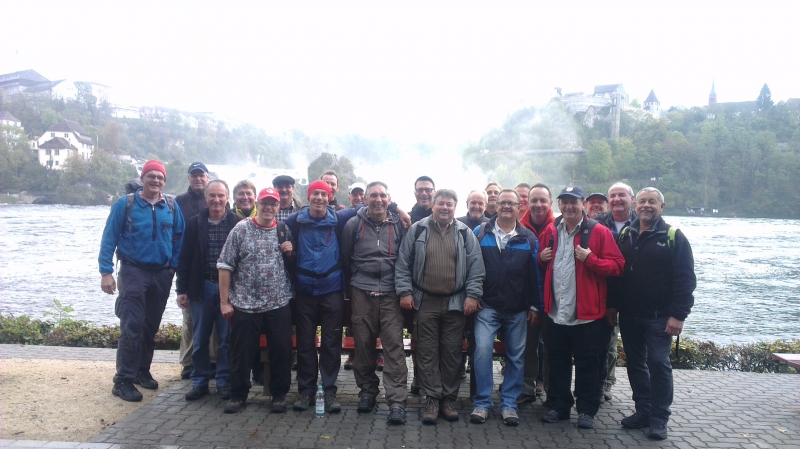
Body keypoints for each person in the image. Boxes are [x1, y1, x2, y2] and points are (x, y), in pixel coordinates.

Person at [607, 187, 696, 441]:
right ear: (635, 205)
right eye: (643, 201)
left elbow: (686, 279)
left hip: (659, 316)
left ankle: (659, 417)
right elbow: (617, 275)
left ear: (662, 207)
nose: (647, 206)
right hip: (630, 314)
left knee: (658, 363)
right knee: (635, 364)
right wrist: (612, 305)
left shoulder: (673, 236)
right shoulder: (626, 233)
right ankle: (643, 411)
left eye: (652, 202)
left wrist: (679, 315)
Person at [396, 189, 485, 425]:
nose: (445, 208)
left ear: (456, 207)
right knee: (426, 352)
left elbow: (476, 268)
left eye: (449, 204)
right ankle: (432, 399)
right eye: (441, 204)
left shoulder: (466, 234)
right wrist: (405, 292)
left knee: (452, 353)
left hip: (456, 302)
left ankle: (448, 398)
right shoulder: (418, 230)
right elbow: (403, 263)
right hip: (425, 301)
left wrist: (472, 295)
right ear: (432, 206)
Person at [537, 186, 624, 430]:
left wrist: (591, 259)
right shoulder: (551, 231)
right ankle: (559, 406)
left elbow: (618, 266)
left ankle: (587, 410)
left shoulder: (599, 232)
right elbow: (542, 262)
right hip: (557, 312)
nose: (568, 206)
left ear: (582, 204)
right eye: (564, 202)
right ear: (559, 205)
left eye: (573, 202)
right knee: (558, 361)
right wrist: (540, 258)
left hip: (587, 315)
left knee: (588, 364)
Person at [99, 160, 185, 402]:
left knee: (151, 325)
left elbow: (180, 236)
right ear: (143, 178)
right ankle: (123, 380)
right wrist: (106, 271)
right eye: (151, 176)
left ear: (164, 181)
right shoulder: (125, 204)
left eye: (160, 177)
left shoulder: (171, 205)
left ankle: (142, 370)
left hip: (161, 273)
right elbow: (109, 238)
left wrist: (173, 267)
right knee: (132, 325)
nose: (155, 181)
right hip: (133, 270)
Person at [284, 181, 361, 413]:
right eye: (315, 193)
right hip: (305, 291)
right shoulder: (294, 221)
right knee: (306, 343)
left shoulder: (338, 219)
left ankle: (329, 391)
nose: (319, 197)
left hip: (332, 290)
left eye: (323, 194)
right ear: (308, 197)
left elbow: (363, 207)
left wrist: (396, 208)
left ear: (330, 197)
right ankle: (306, 391)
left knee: (330, 343)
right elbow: (274, 233)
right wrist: (288, 249)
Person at [217, 188, 295, 414]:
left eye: (273, 204)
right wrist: (224, 302)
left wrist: (291, 252)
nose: (269, 207)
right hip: (245, 304)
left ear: (278, 207)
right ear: (257, 204)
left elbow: (292, 266)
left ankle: (279, 395)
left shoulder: (283, 230)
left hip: (278, 303)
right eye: (265, 203)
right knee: (241, 353)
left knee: (282, 352)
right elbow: (225, 265)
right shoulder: (240, 229)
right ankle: (238, 395)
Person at [469, 189, 541, 427]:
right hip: (487, 306)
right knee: (482, 351)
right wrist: (474, 294)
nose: (507, 207)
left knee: (516, 357)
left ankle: (509, 404)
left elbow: (534, 276)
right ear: (495, 205)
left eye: (512, 203)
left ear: (520, 207)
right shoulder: (481, 232)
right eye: (503, 203)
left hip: (517, 308)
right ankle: (482, 403)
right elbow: (472, 268)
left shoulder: (528, 238)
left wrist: (534, 305)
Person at [340, 181, 409, 424]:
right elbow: (345, 257)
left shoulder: (399, 225)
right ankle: (367, 392)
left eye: (382, 195)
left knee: (394, 348)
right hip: (362, 292)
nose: (378, 200)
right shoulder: (353, 224)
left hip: (391, 293)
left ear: (389, 199)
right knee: (363, 346)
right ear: (365, 199)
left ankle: (397, 401)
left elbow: (405, 258)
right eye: (373, 196)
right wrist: (358, 281)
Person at [176, 180, 241, 401]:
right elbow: (184, 259)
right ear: (206, 198)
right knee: (200, 338)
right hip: (201, 288)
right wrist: (181, 290)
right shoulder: (195, 223)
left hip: (229, 289)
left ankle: (223, 381)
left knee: (225, 339)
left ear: (227, 198)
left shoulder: (237, 223)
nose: (216, 200)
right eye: (212, 195)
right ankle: (200, 381)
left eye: (220, 196)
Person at [595, 182, 637, 402]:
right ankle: (601, 384)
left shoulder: (642, 225)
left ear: (632, 199)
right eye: (612, 196)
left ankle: (641, 400)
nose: (617, 200)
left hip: (633, 295)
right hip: (605, 292)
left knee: (637, 351)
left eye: (622, 195)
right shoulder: (598, 224)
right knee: (604, 341)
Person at [517, 183, 555, 404]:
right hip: (528, 302)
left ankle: (553, 393)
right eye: (534, 200)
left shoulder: (561, 226)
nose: (539, 205)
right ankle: (527, 389)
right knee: (527, 349)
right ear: (527, 203)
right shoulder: (519, 228)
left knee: (553, 352)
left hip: (555, 303)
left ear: (550, 203)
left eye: (543, 200)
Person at [175, 162, 211, 380]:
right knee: (189, 319)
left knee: (213, 323)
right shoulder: (179, 202)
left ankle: (211, 361)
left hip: (211, 270)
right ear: (188, 178)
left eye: (202, 175)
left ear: (208, 178)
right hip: (188, 267)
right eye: (194, 175)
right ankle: (188, 363)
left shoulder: (216, 200)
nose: (198, 179)